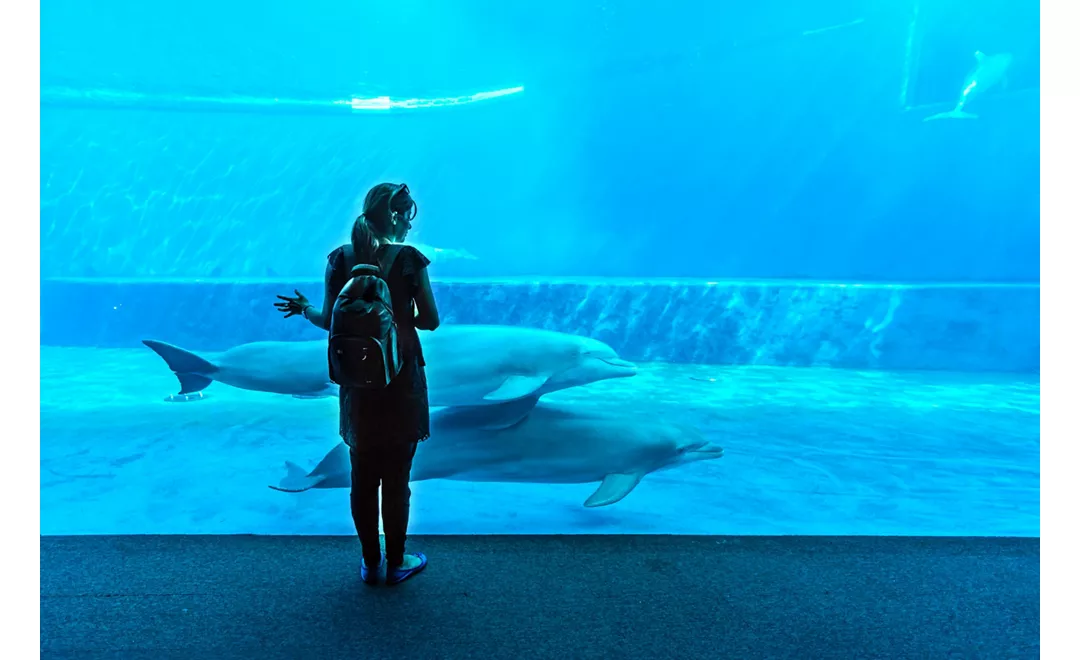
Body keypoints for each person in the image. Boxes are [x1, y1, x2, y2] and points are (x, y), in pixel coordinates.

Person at [275, 183, 440, 585]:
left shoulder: (341, 258)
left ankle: (369, 563)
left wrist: (304, 310)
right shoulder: (408, 260)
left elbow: (330, 319)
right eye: (408, 217)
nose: (410, 225)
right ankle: (397, 561)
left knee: (363, 475)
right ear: (398, 216)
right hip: (401, 379)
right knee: (396, 477)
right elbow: (431, 320)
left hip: (358, 382)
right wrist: (398, 319)